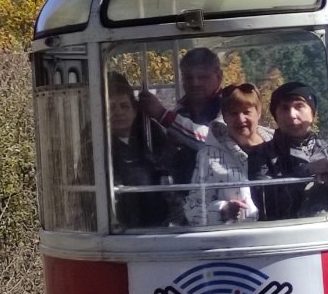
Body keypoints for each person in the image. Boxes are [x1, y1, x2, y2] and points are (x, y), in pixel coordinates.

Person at [183, 82, 274, 226]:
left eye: (246, 111)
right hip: (235, 241)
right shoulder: (209, 156)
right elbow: (192, 209)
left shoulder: (278, 146)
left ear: (259, 112)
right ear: (224, 116)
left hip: (282, 233)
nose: (240, 119)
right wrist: (222, 211)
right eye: (233, 113)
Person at [248, 81, 328, 221]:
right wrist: (307, 171)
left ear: (312, 112)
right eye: (284, 108)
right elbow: (266, 203)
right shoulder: (261, 155)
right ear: (275, 116)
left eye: (299, 106)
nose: (292, 115)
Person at [138, 47, 223, 185]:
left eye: (202, 77)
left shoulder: (229, 104)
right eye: (189, 77)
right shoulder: (181, 109)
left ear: (219, 76)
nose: (195, 83)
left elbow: (211, 140)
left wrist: (162, 115)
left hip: (220, 189)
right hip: (186, 190)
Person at [106, 73, 168, 228]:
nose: (118, 113)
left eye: (124, 106)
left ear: (135, 111)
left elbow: (169, 170)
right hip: (115, 223)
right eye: (111, 107)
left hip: (158, 220)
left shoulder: (151, 133)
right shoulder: (95, 140)